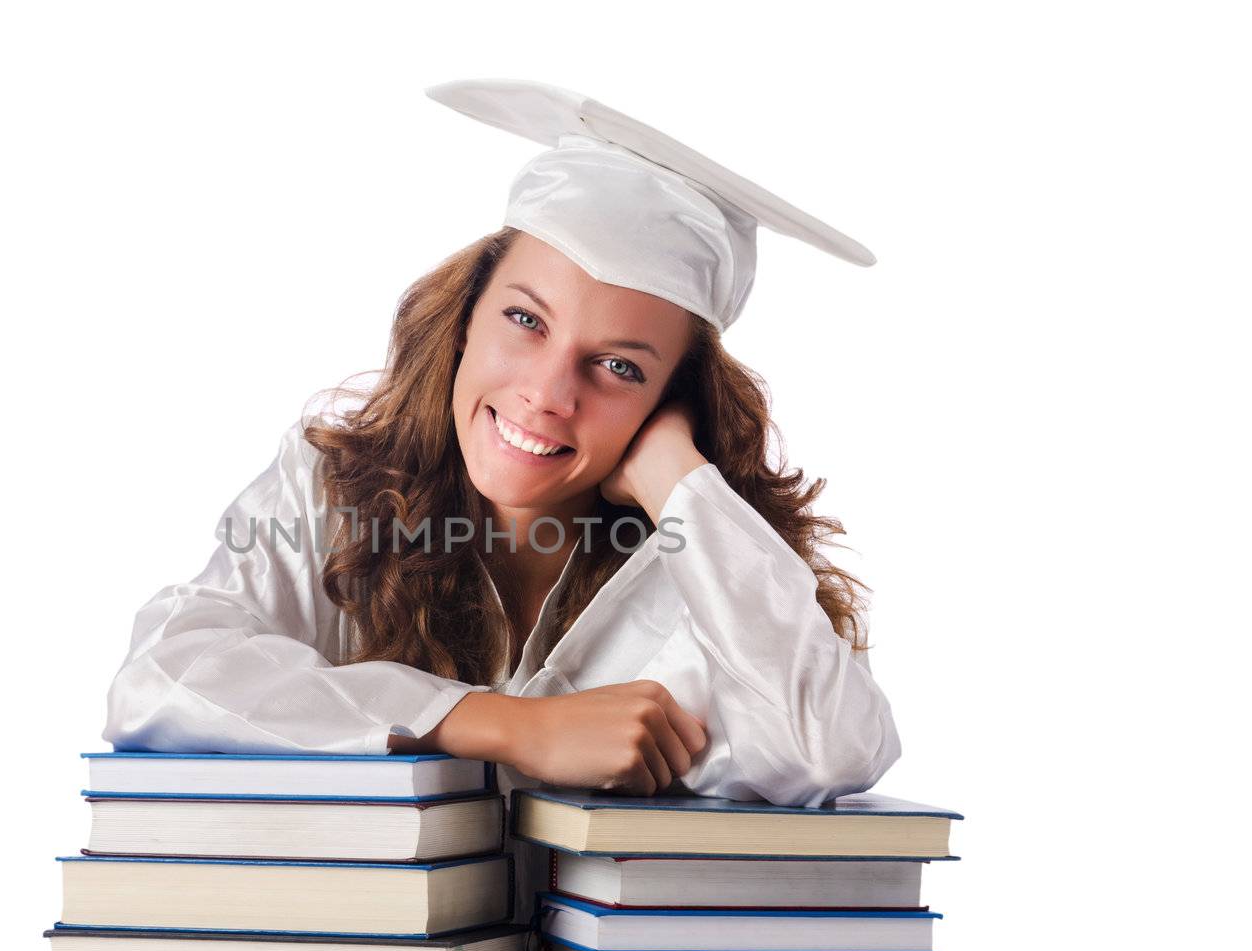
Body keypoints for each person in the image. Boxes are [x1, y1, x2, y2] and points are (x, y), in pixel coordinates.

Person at [102, 79, 901, 819]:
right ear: (465, 318)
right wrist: (505, 725)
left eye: (620, 367)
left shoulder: (693, 573)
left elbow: (830, 747)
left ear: (675, 402)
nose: (550, 394)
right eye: (526, 320)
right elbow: (160, 681)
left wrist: (678, 480)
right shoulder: (329, 496)